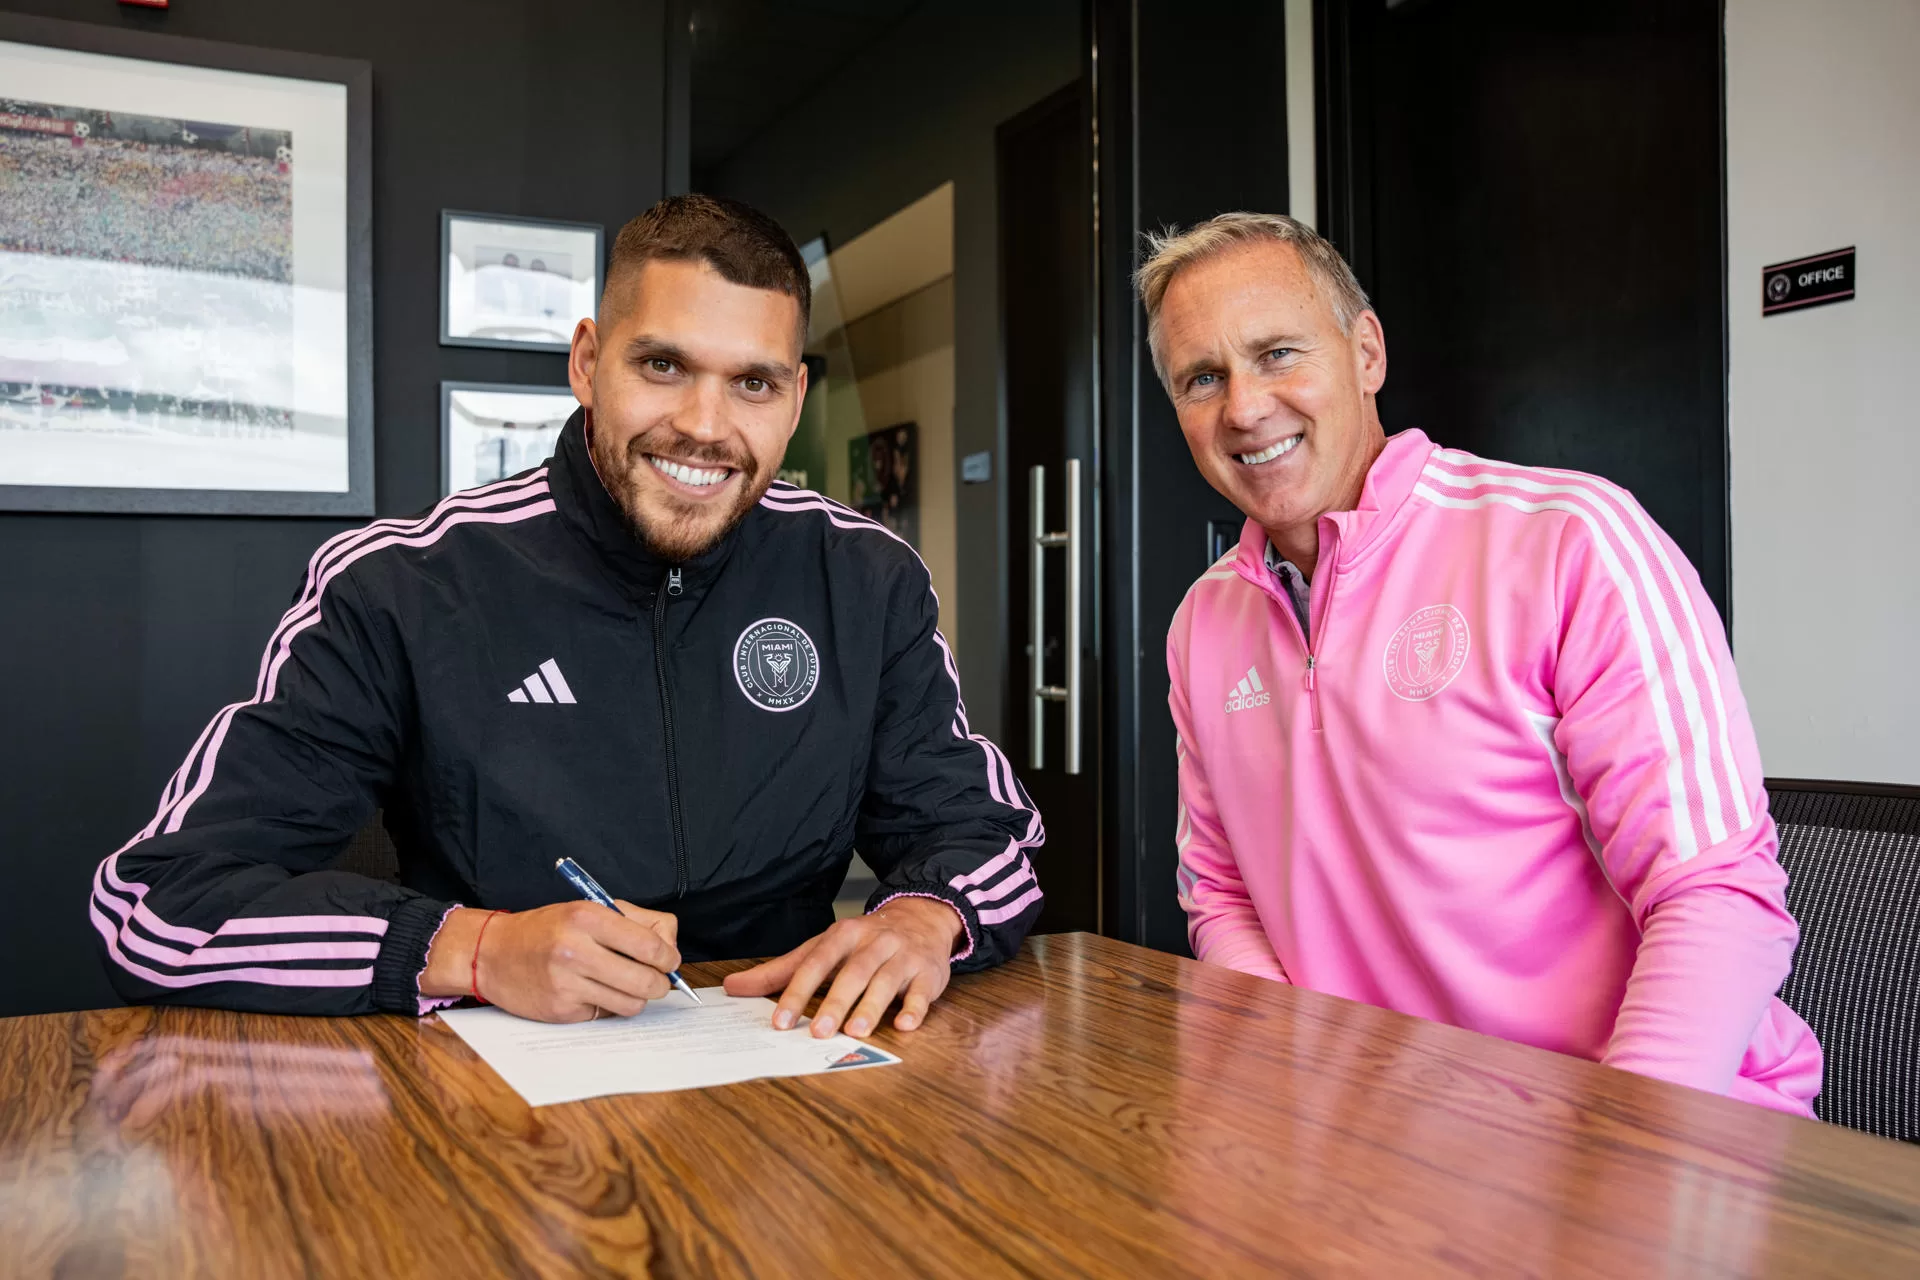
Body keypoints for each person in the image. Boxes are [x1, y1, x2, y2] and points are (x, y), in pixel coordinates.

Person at [90, 194, 1044, 1037]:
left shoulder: (865, 575)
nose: (707, 426)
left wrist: (926, 917)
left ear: (793, 400)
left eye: (752, 382)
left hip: (789, 1072)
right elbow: (157, 906)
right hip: (490, 1114)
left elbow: (985, 833)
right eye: (664, 365)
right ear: (588, 363)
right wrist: (473, 948)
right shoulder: (402, 582)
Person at [1143, 212, 1819, 1114]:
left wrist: (1632, 1157)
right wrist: (1290, 1082)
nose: (1245, 407)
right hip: (1375, 1148)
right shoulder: (1203, 624)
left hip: (1651, 1131)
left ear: (1368, 353)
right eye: (1202, 378)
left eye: (1277, 354)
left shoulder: (1570, 542)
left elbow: (1715, 896)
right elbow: (1221, 896)